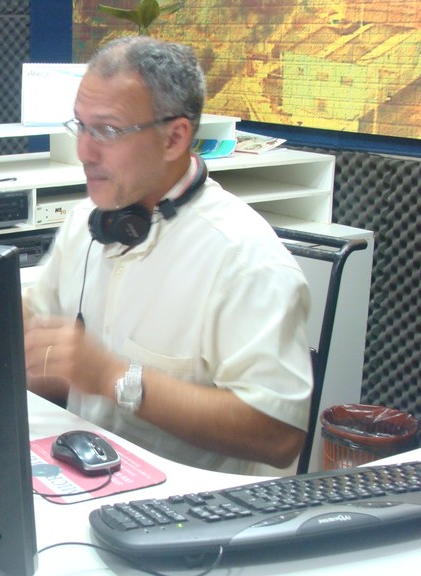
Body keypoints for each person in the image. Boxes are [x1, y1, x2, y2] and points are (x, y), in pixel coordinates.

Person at [22, 37, 313, 475]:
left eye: (107, 131)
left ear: (174, 138)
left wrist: (111, 377)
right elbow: (38, 339)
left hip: (193, 507)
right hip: (84, 478)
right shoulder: (87, 221)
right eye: (80, 126)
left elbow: (278, 435)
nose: (84, 151)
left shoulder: (246, 260)